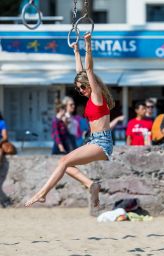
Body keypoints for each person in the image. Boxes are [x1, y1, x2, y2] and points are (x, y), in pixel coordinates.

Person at [25, 33, 114, 208]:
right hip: (93, 140)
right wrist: (75, 51)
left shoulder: (97, 96)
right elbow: (81, 72)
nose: (80, 90)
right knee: (65, 164)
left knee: (64, 161)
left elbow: (88, 70)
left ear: (90, 84)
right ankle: (90, 184)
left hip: (102, 142)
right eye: (78, 88)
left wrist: (88, 44)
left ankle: (42, 193)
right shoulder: (90, 99)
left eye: (82, 87)